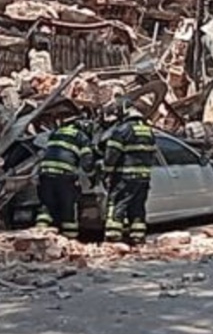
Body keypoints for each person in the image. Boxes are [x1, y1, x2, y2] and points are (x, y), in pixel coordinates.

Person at [101, 100, 156, 245]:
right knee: (137, 207)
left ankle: (113, 236)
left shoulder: (122, 130)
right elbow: (152, 154)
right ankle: (138, 237)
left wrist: (105, 172)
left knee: (117, 203)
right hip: (143, 177)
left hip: (125, 175)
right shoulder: (148, 130)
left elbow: (111, 155)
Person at [35, 117, 94, 239]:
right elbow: (87, 161)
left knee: (46, 207)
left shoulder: (56, 133)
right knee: (68, 209)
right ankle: (70, 239)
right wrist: (92, 175)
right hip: (64, 176)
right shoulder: (81, 137)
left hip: (45, 174)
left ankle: (39, 235)